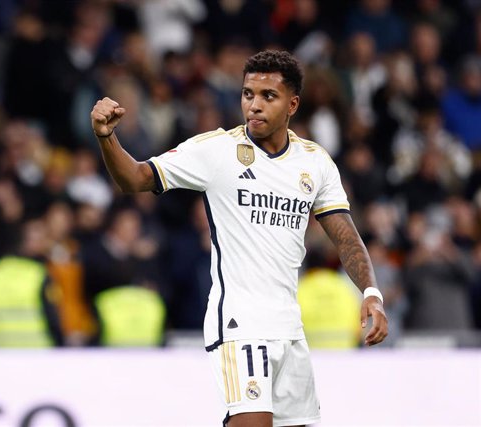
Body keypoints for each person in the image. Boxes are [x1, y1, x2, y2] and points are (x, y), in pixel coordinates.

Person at [90, 49, 388, 427]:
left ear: (292, 103)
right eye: (248, 94)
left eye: (268, 96)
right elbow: (134, 178)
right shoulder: (216, 150)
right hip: (239, 322)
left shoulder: (314, 162)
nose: (255, 105)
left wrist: (371, 293)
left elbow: (346, 237)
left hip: (289, 327)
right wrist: (106, 137)